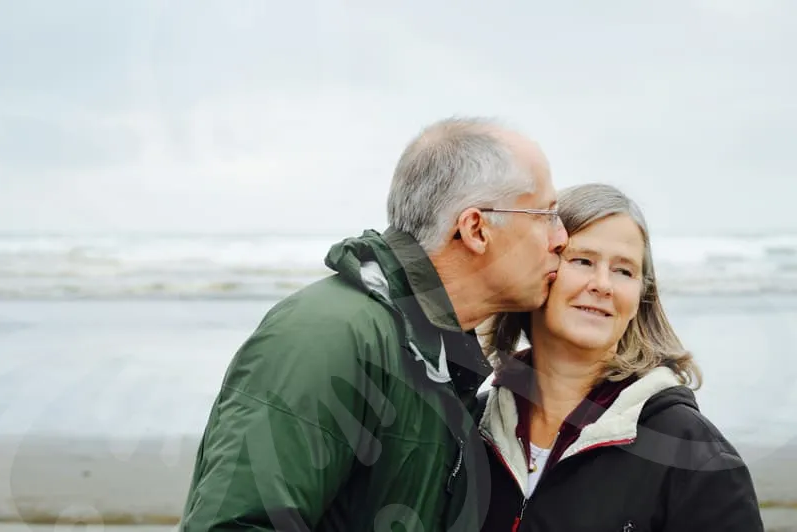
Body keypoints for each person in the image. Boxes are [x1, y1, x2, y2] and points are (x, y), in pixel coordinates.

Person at [178, 116, 568, 532]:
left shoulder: (438, 356)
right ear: (476, 229)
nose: (560, 237)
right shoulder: (329, 336)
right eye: (545, 214)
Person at [478, 183, 764, 531]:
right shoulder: (472, 427)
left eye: (624, 270)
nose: (603, 284)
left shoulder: (696, 457)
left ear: (641, 296)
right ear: (537, 269)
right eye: (583, 261)